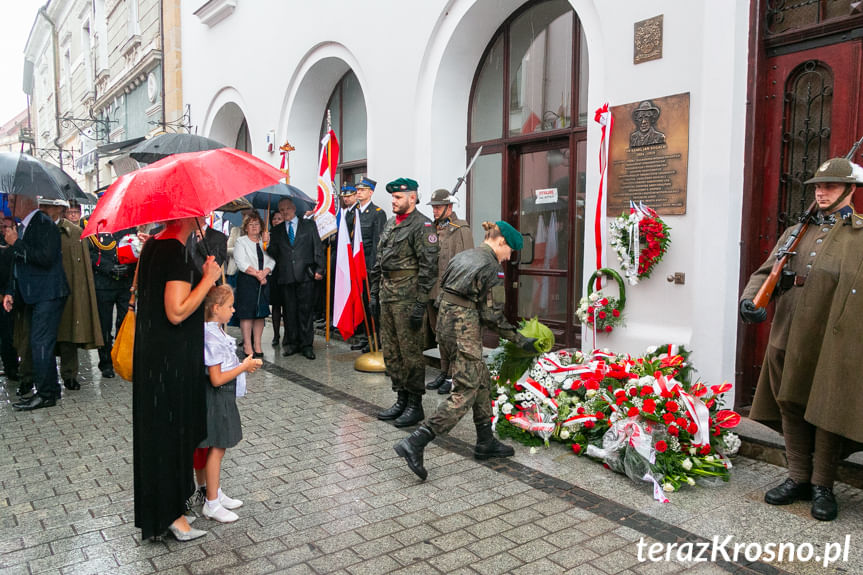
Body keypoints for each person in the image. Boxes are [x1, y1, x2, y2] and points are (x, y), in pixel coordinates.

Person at [740, 157, 863, 522]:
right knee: (791, 402)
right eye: (817, 188)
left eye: (830, 186)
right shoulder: (796, 231)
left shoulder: (860, 235)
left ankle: (823, 485)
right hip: (790, 333)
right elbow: (767, 273)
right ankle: (798, 477)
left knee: (827, 406)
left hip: (835, 339)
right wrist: (751, 299)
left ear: (850, 190)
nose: (822, 192)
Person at [394, 221, 536, 480]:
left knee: (480, 378)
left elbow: (443, 291)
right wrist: (519, 340)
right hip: (464, 331)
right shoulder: (491, 267)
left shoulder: (464, 255)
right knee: (465, 391)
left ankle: (485, 441)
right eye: (510, 252)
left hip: (446, 328)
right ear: (502, 242)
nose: (509, 258)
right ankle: (416, 442)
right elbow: (492, 315)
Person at [132, 216, 221, 542]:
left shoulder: (155, 244)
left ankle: (164, 511)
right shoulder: (175, 252)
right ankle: (172, 517)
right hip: (171, 362)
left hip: (157, 358)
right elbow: (177, 311)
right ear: (185, 214)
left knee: (160, 435)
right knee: (170, 435)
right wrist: (208, 279)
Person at [370, 178, 439, 427]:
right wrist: (374, 293)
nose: (393, 201)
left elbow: (429, 269)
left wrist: (421, 303)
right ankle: (401, 398)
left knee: (410, 353)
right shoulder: (391, 224)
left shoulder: (423, 226)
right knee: (392, 351)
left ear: (412, 197)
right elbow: (379, 260)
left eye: (398, 197)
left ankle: (414, 404)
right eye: (393, 197)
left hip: (408, 298)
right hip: (388, 295)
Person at [200, 284, 262, 523]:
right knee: (217, 447)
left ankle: (215, 493)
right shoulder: (211, 335)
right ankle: (212, 503)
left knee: (220, 446)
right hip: (218, 396)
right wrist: (244, 367)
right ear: (216, 309)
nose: (233, 310)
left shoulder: (215, 330)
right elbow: (215, 378)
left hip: (223, 396)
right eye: (229, 306)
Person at [5, 195, 70, 411]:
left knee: (40, 344)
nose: (10, 204)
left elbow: (45, 257)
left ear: (26, 201)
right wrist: (10, 291)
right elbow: (19, 264)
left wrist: (16, 243)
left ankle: (46, 394)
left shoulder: (43, 224)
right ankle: (50, 389)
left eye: (14, 200)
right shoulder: (24, 226)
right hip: (35, 295)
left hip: (48, 294)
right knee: (41, 344)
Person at [424, 188, 474, 394]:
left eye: (438, 207)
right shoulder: (432, 229)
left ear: (449, 207)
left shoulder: (460, 230)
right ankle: (444, 371)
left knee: (453, 336)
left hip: (452, 292)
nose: (435, 211)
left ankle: (454, 375)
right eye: (433, 207)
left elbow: (467, 264)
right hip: (433, 291)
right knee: (440, 335)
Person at [267, 197, 324, 360]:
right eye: (281, 210)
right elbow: (274, 253)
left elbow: (317, 247)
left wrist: (320, 268)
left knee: (305, 311)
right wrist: (267, 244)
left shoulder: (309, 225)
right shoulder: (276, 231)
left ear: (293, 208)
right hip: (286, 275)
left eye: (287, 209)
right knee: (289, 312)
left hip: (306, 274)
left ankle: (307, 345)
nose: (284, 212)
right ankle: (291, 343)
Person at [55, 205, 103, 390]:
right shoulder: (33, 229)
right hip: (40, 291)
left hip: (67, 291)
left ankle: (69, 375)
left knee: (68, 335)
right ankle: (34, 377)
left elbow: (83, 268)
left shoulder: (74, 233)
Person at [89, 229, 137, 378]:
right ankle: (106, 363)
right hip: (104, 283)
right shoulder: (93, 225)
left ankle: (121, 358)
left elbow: (135, 250)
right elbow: (90, 254)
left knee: (124, 324)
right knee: (104, 326)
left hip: (125, 283)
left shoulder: (130, 225)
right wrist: (109, 268)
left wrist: (129, 267)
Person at [351, 177, 387, 353]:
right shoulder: (354, 212)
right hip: (355, 266)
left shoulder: (377, 213)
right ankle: (365, 336)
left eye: (363, 190)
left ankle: (375, 338)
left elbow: (377, 243)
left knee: (372, 303)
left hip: (368, 266)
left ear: (371, 192)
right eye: (358, 189)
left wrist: (372, 268)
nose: (359, 192)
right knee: (361, 303)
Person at [233, 212, 274, 358]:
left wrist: (265, 272)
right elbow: (241, 262)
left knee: (260, 314)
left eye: (257, 224)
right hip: (248, 280)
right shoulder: (241, 242)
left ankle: (257, 344)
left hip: (264, 279)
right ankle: (247, 345)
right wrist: (257, 274)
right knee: (247, 314)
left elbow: (272, 259)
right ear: (246, 227)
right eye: (251, 224)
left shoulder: (265, 241)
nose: (254, 227)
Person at [0, 216, 19, 384]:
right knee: (5, 335)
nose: (4, 227)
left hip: (15, 295)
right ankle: (10, 366)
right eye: (1, 224)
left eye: (7, 225)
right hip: (2, 294)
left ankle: (15, 365)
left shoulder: (17, 245)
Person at [269, 210, 285, 345]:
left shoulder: (286, 233)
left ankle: (287, 335)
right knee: (275, 306)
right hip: (273, 273)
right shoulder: (268, 234)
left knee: (287, 306)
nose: (276, 221)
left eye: (279, 218)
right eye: (274, 218)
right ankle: (275, 335)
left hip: (285, 272)